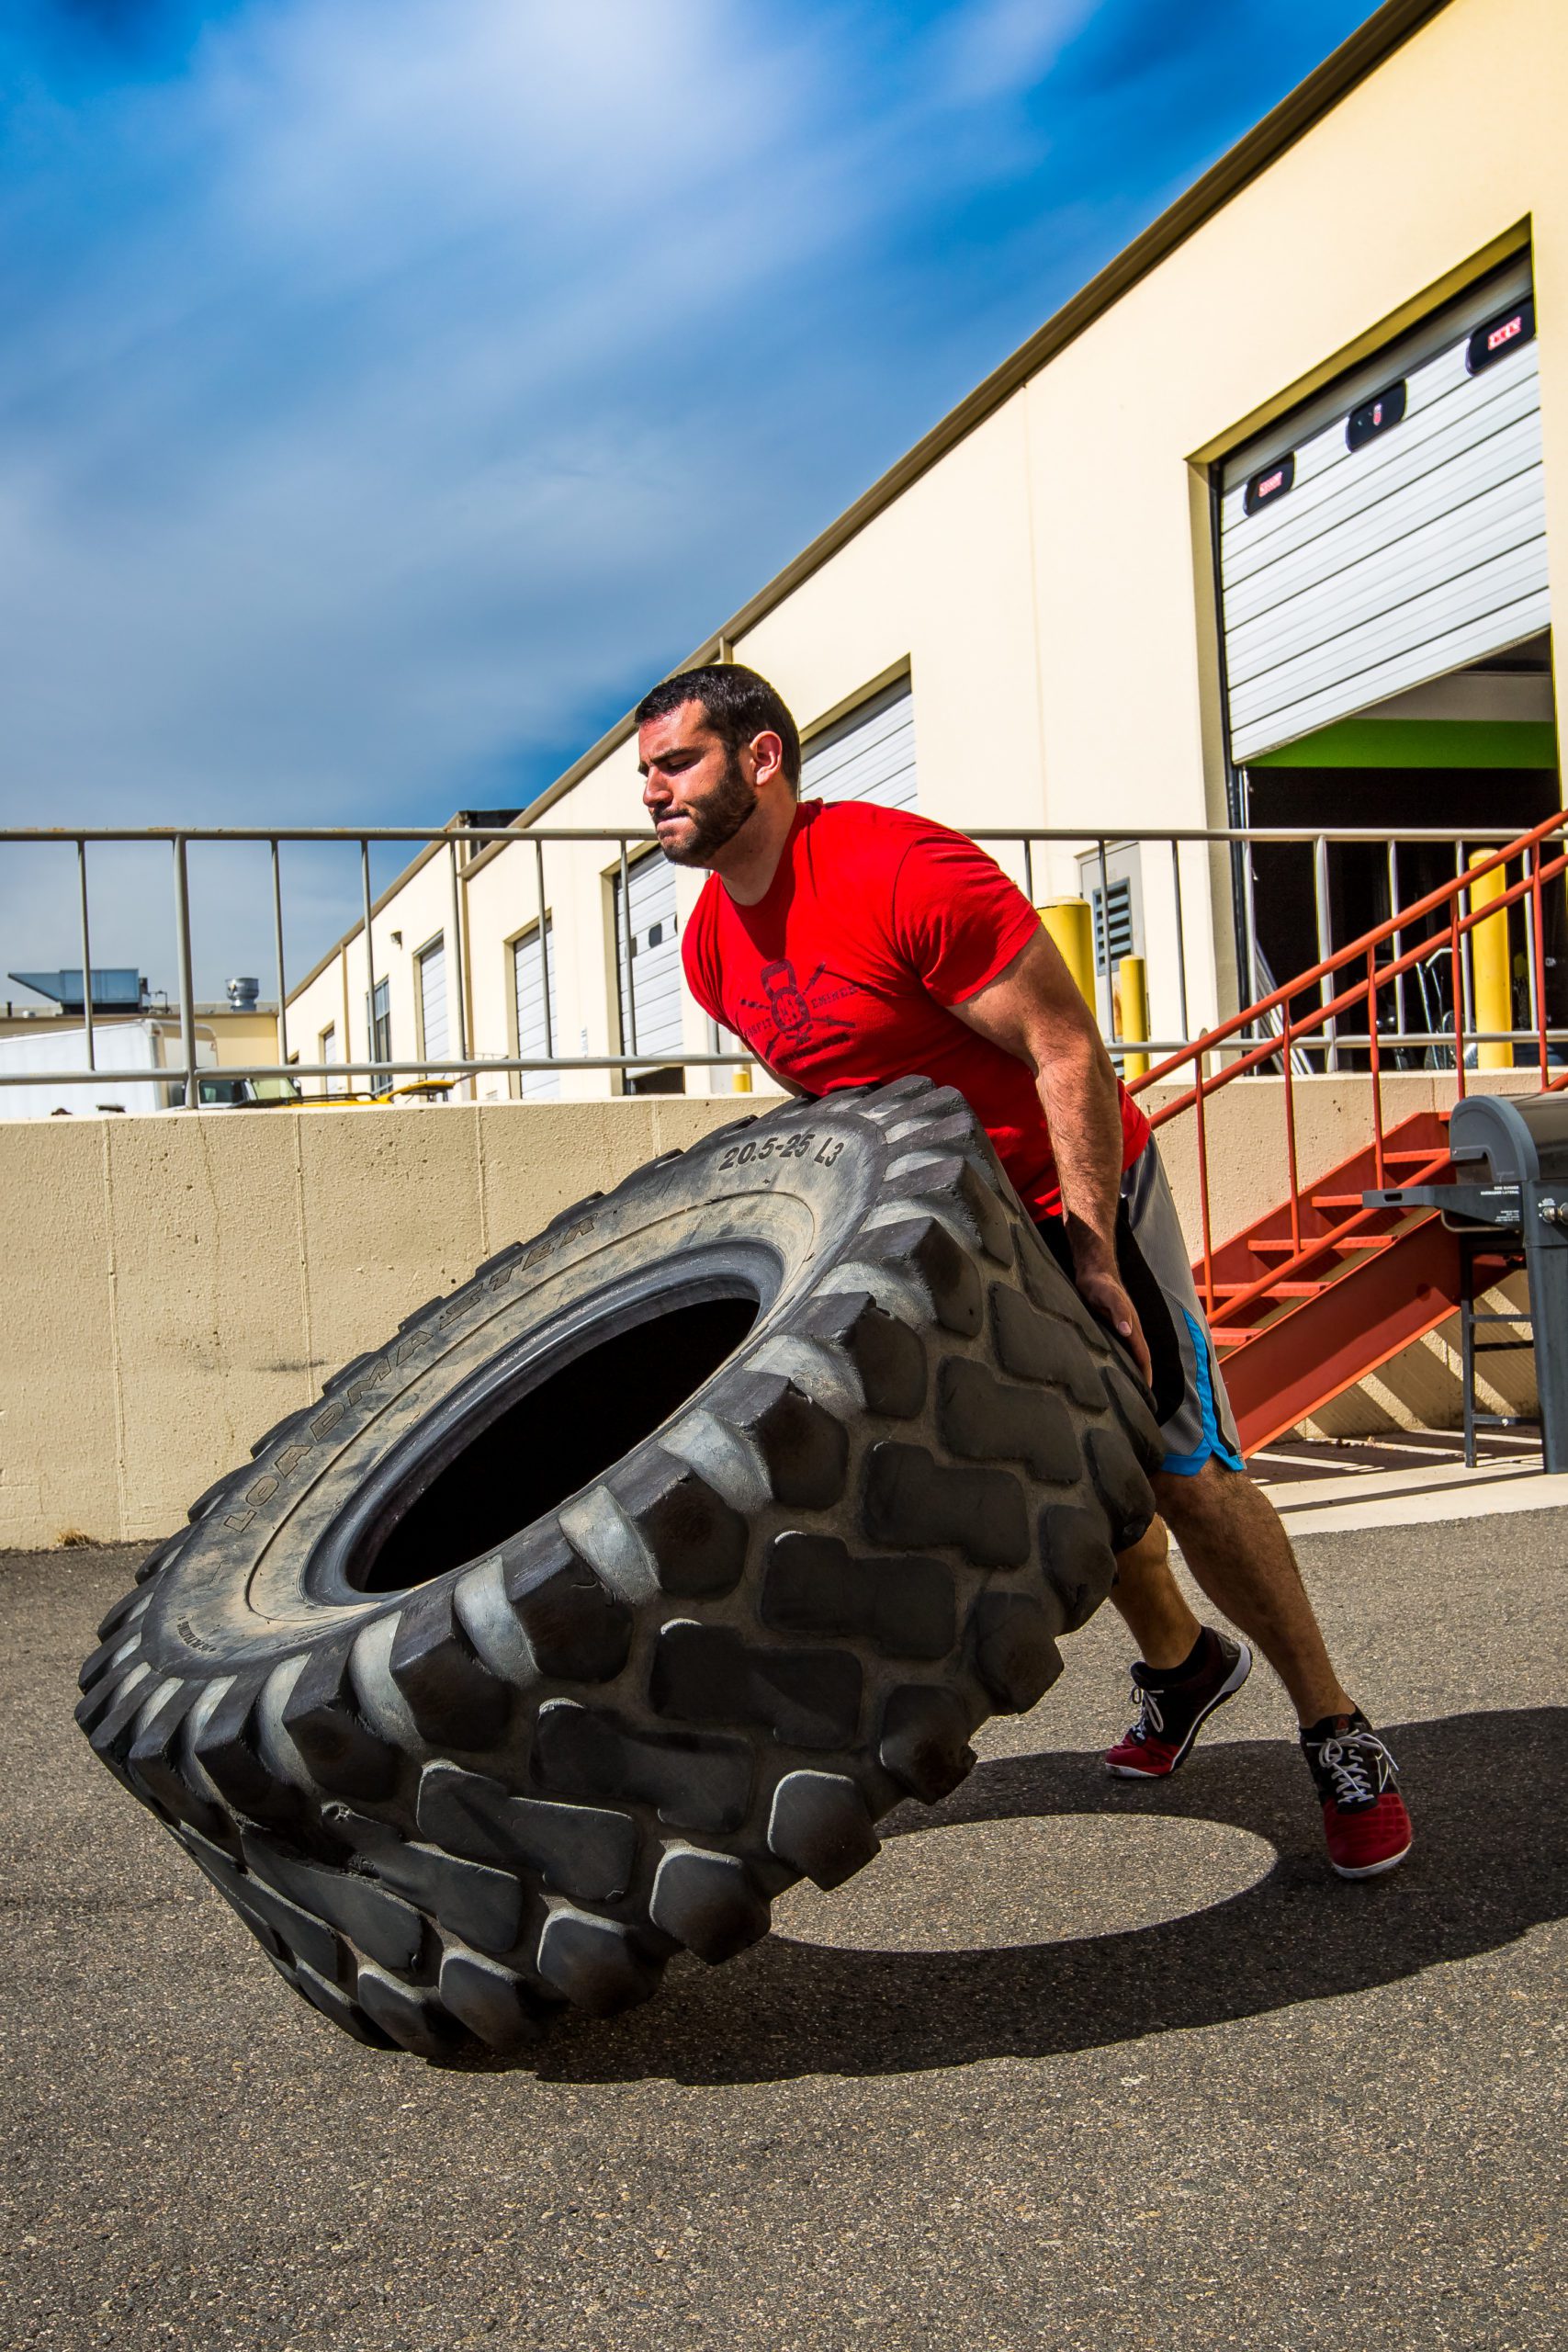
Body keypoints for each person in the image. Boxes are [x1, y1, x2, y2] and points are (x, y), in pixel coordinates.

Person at [635, 661, 1413, 1880]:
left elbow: (1066, 1049)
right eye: (646, 775)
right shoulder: (708, 952)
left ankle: (1335, 1727)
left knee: (1182, 1474)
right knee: (1051, 1474)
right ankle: (1184, 1662)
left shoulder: (902, 873)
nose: (654, 794)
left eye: (676, 764)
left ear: (763, 759)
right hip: (957, 1220)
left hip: (1074, 1185)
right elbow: (837, 1100)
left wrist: (1093, 1250)